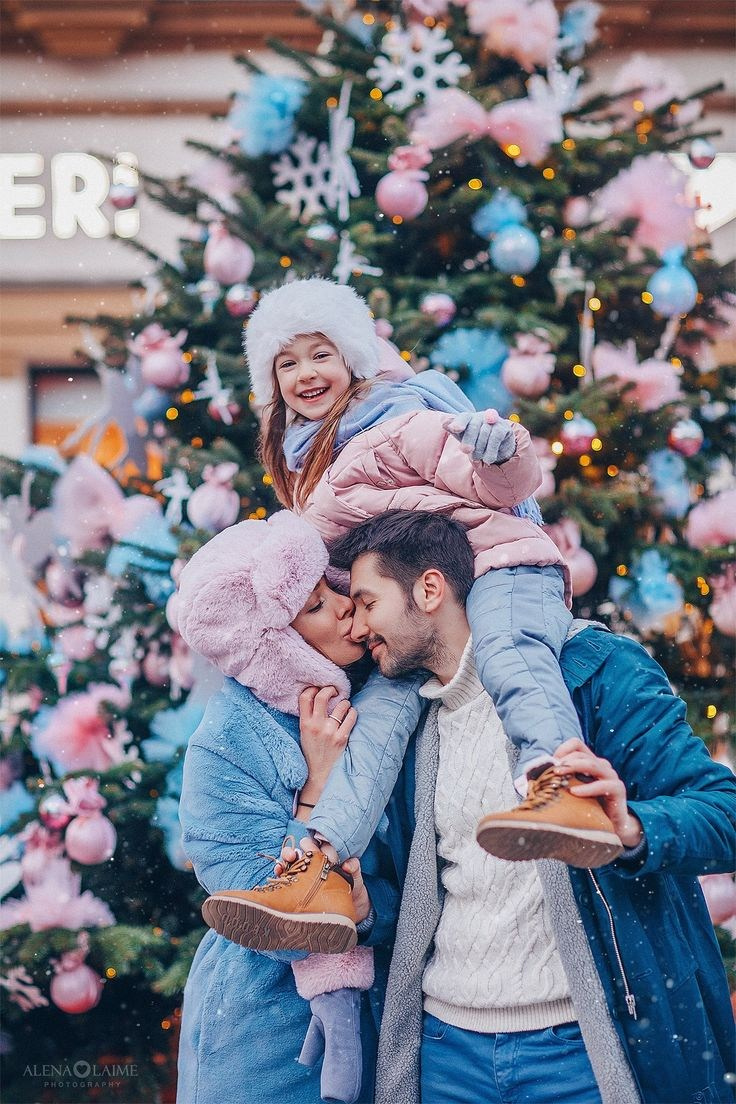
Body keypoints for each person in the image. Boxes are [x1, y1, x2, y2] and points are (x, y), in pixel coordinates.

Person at [326, 508, 736, 1104]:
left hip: (584, 1051)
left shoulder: (595, 673)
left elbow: (723, 812)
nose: (358, 626)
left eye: (367, 602)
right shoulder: (405, 726)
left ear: (430, 588)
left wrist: (632, 828)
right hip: (446, 1052)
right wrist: (367, 907)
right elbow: (417, 894)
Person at [243, 277, 621, 881]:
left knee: (510, 651)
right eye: (286, 362)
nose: (305, 373)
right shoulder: (314, 469)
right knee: (378, 720)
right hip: (424, 608)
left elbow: (499, 484)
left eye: (321, 354)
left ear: (353, 361)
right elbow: (310, 550)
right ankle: (323, 866)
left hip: (500, 564)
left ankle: (564, 779)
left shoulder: (397, 423)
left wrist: (499, 451)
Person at [174, 511, 419, 1104]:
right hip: (262, 1037)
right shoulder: (230, 737)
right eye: (312, 606)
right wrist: (317, 792)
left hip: (386, 1031)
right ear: (276, 645)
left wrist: (367, 913)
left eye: (331, 588)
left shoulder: (388, 701)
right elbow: (264, 910)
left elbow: (415, 883)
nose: (341, 607)